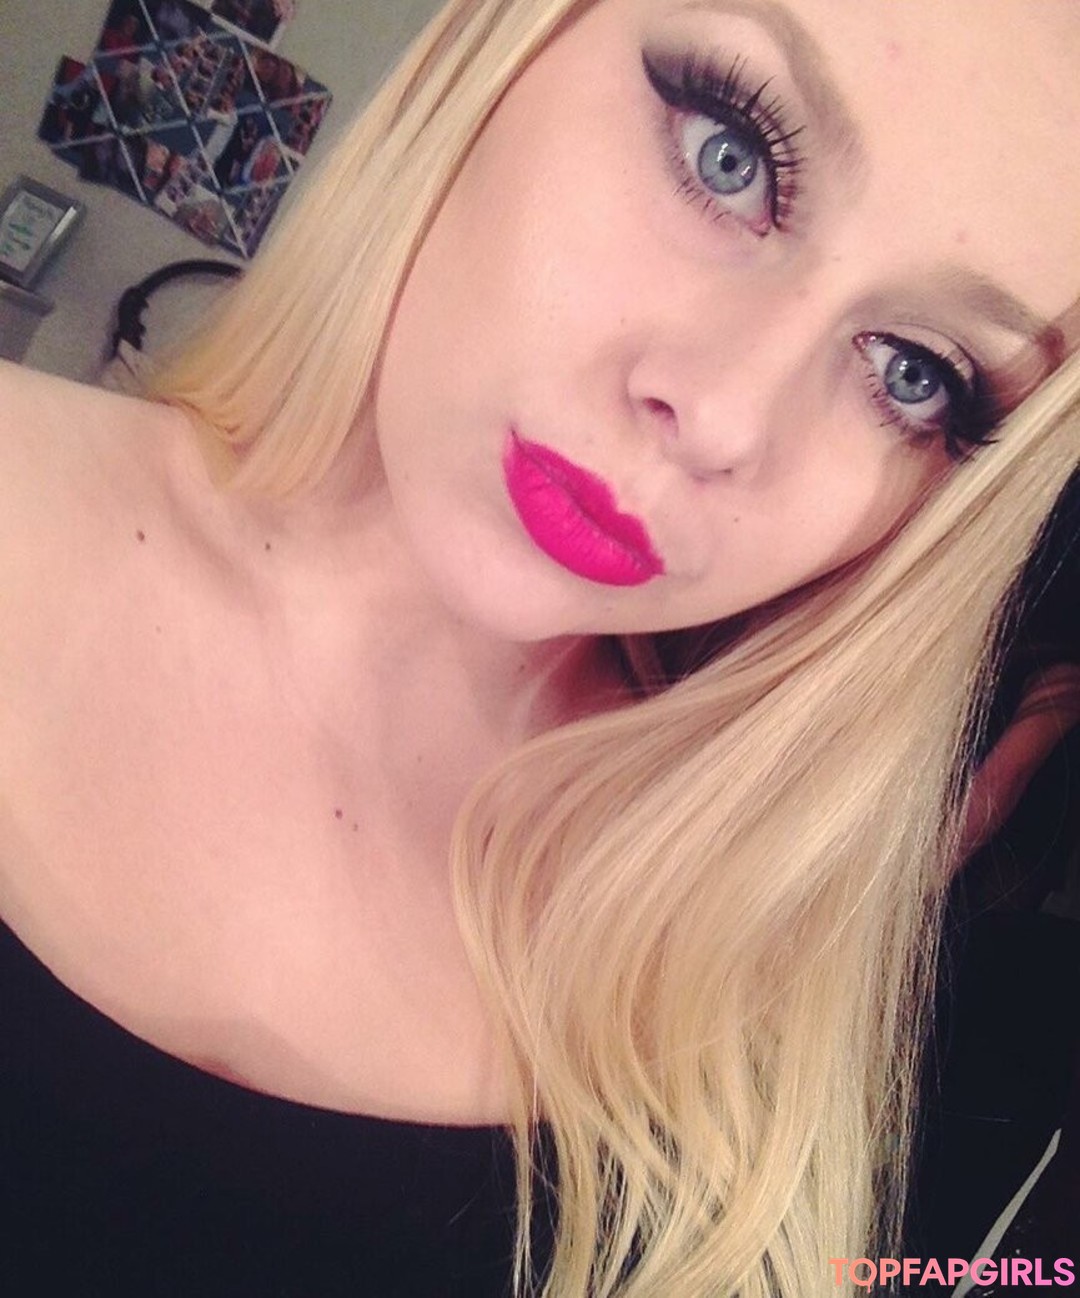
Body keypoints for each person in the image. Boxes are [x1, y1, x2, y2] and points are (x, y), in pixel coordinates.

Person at [1, 1, 1078, 1295]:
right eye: (729, 152)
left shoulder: (760, 997)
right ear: (512, 43)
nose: (723, 416)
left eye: (915, 372)